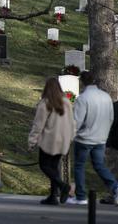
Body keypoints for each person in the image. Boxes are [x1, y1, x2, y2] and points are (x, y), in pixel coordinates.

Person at [70, 71, 118, 204]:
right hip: (100, 138)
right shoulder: (106, 96)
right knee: (100, 166)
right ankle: (115, 186)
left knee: (79, 166)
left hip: (84, 138)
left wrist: (70, 135)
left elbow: (76, 122)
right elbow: (111, 117)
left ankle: (81, 196)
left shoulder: (83, 99)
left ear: (82, 82)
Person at [27, 77, 76, 205]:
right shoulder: (67, 102)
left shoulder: (45, 103)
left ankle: (62, 186)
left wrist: (32, 141)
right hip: (63, 140)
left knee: (44, 165)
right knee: (54, 167)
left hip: (49, 141)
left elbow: (38, 125)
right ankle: (53, 196)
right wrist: (71, 137)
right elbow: (72, 122)